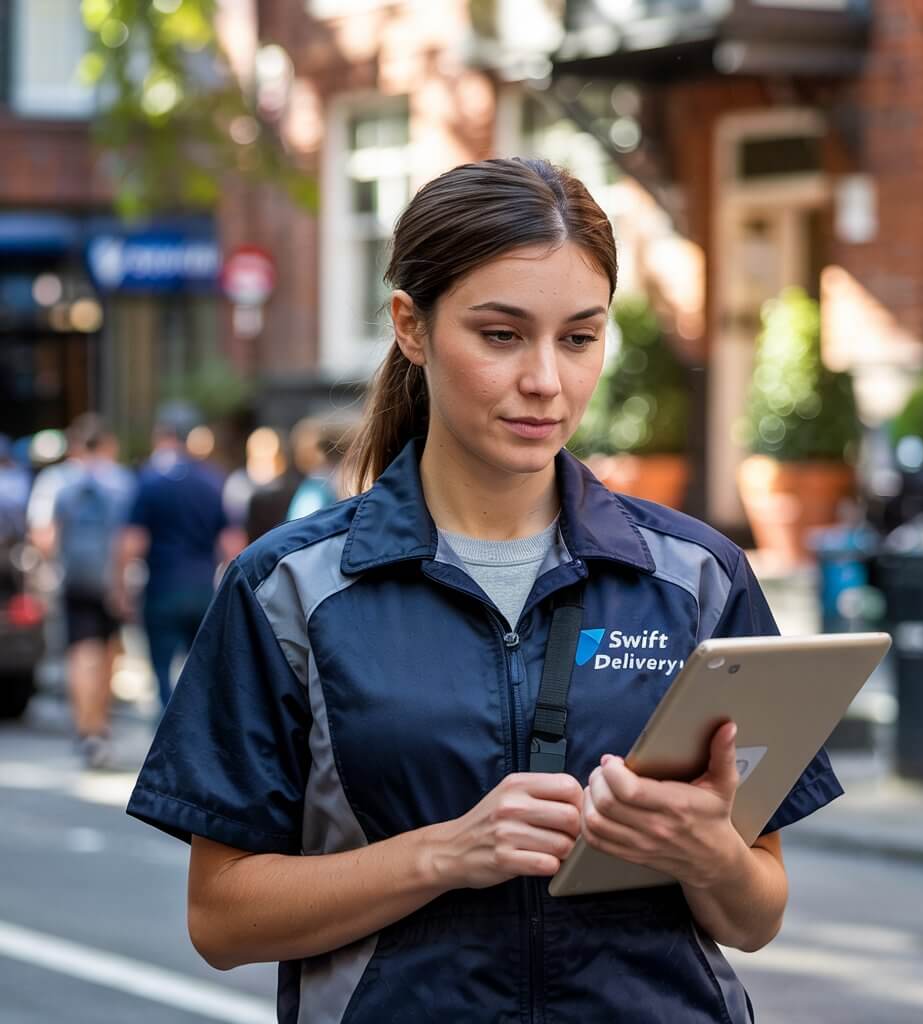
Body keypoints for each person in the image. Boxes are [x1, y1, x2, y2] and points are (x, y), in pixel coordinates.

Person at [126, 158, 842, 1023]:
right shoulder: (288, 587)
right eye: (502, 335)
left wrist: (708, 856)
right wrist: (447, 853)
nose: (547, 380)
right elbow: (221, 918)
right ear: (411, 326)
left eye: (579, 338)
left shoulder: (696, 576)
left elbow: (757, 914)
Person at [112, 404, 244, 710]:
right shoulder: (212, 480)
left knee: (161, 669)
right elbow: (232, 542)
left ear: (162, 434)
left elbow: (133, 542)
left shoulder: (148, 480)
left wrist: (120, 587)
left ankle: (166, 733)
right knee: (200, 670)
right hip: (201, 588)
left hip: (161, 586)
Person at [46, 415, 135, 769]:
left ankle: (85, 729)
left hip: (74, 578)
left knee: (79, 653)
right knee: (109, 652)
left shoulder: (62, 481)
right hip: (110, 579)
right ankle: (100, 725)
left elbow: (47, 536)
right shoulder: (123, 482)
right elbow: (127, 538)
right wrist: (121, 584)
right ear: (109, 444)